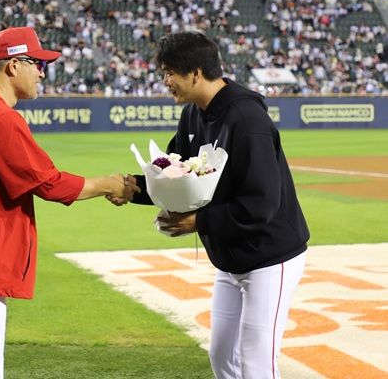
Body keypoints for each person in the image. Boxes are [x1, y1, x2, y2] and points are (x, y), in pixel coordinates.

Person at [0, 26, 139, 379]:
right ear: (14, 65)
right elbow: (49, 183)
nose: (42, 73)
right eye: (37, 64)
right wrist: (109, 184)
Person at [128, 31, 309, 378]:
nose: (165, 81)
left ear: (196, 73)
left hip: (271, 256)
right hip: (231, 257)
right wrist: (129, 189)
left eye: (170, 72)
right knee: (222, 356)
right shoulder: (193, 114)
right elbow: (174, 178)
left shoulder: (247, 118)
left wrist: (199, 221)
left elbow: (262, 203)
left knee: (255, 363)